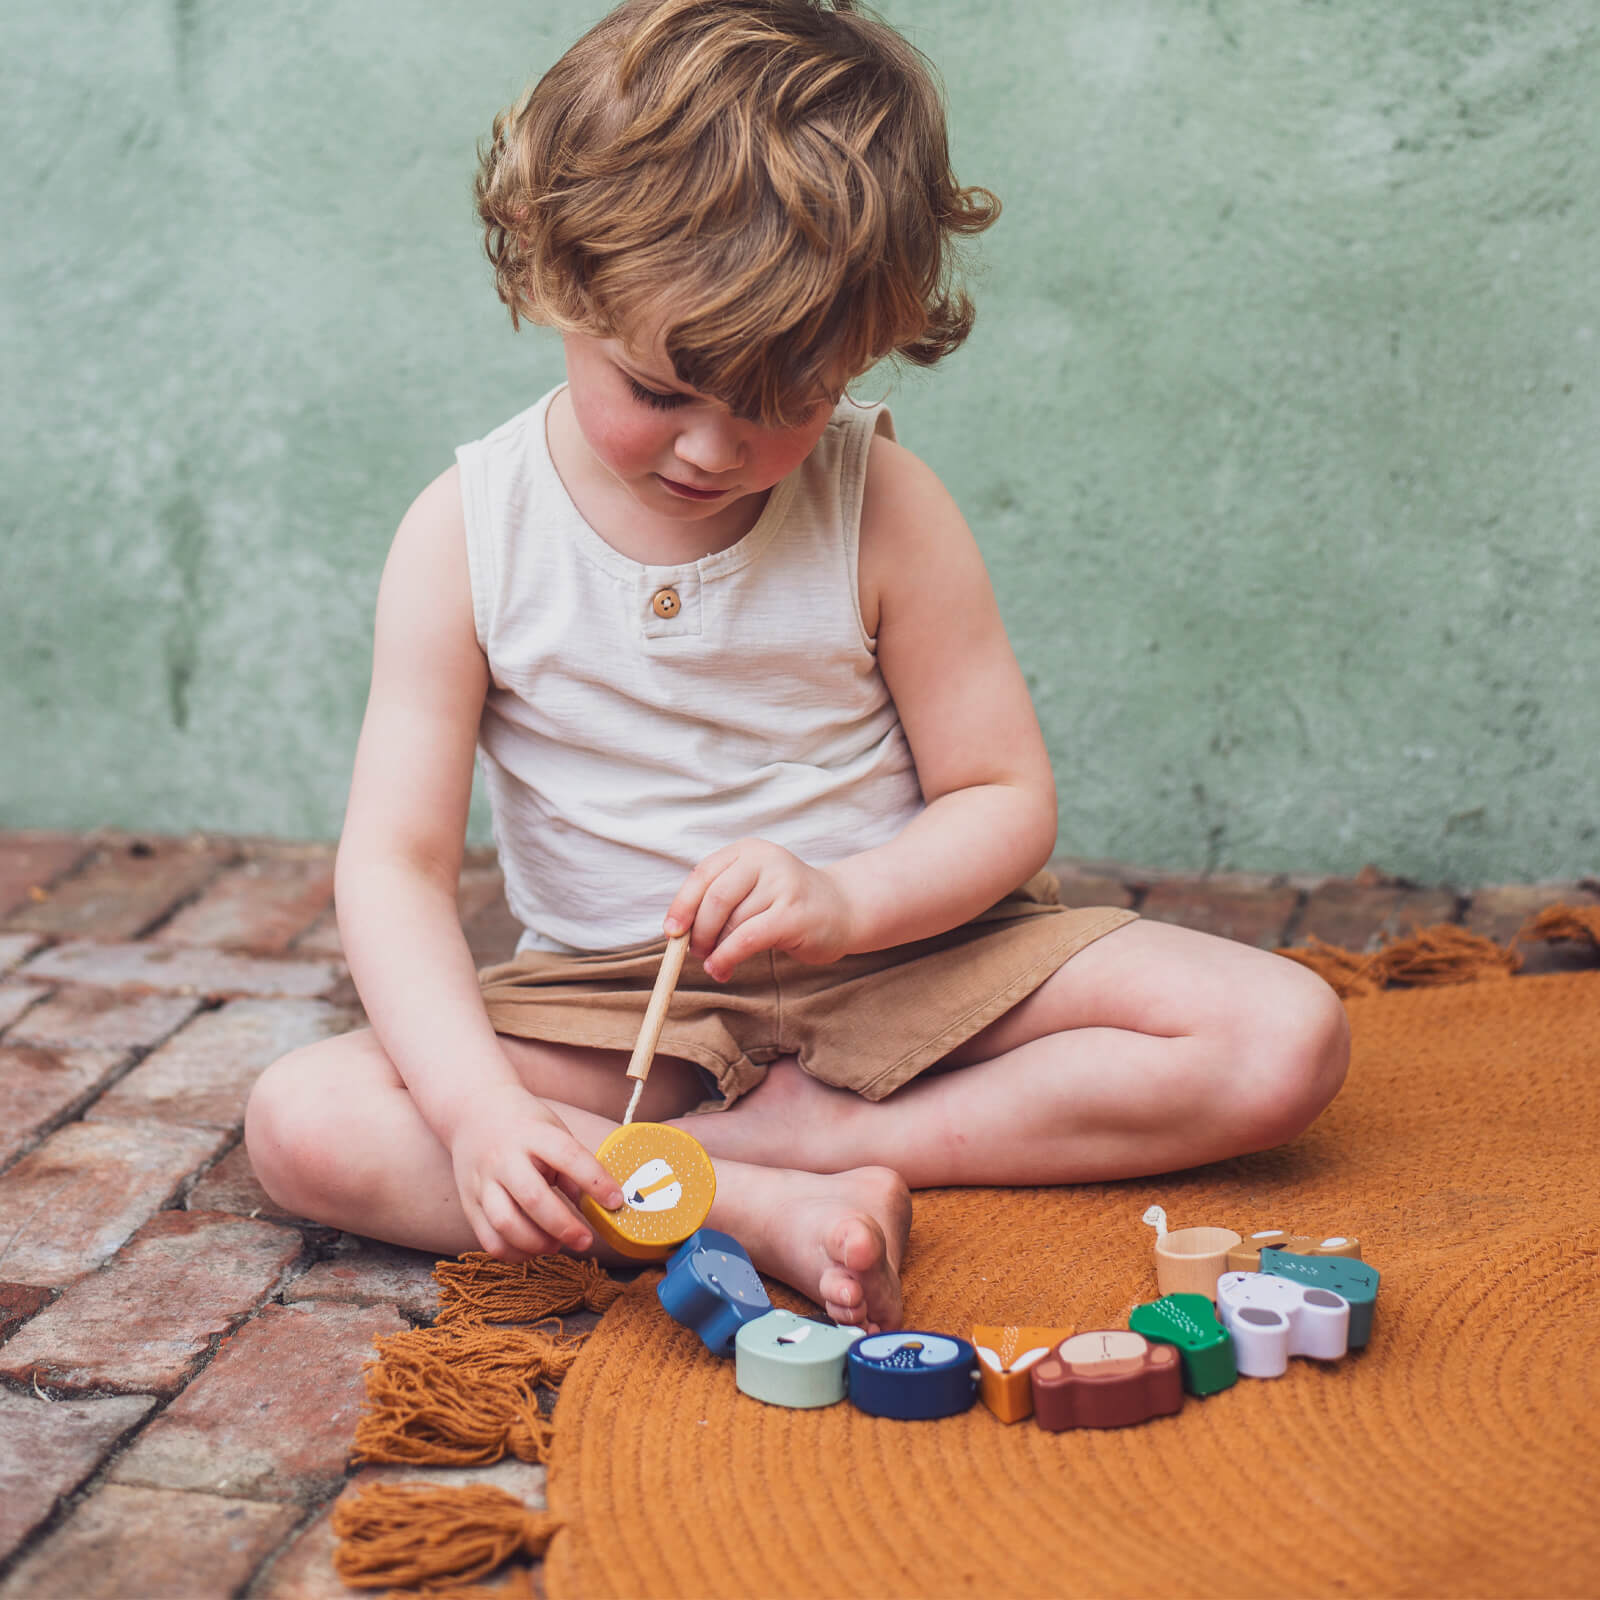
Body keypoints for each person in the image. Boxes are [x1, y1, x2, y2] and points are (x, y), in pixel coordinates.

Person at [246, 0, 1349, 1334]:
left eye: (783, 402)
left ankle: (805, 1151)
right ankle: (750, 1204)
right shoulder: (466, 535)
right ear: (556, 279)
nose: (713, 450)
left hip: (912, 961)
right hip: (620, 1010)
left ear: (864, 349)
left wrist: (846, 901)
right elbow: (396, 868)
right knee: (304, 1125)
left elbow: (1002, 799)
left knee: (1283, 1036)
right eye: (661, 390)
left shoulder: (882, 503)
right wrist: (481, 1115)